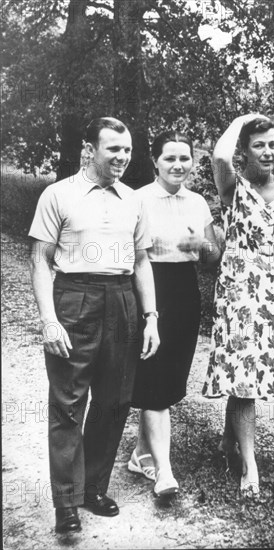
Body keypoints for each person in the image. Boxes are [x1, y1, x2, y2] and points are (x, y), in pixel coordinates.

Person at [28, 117, 160, 534]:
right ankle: (65, 502)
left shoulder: (133, 200)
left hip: (121, 300)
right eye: (113, 150)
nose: (122, 158)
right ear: (90, 149)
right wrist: (49, 320)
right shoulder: (58, 194)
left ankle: (93, 488)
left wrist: (151, 317)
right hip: (74, 297)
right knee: (68, 401)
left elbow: (141, 262)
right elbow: (39, 259)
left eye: (127, 151)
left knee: (115, 399)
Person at [202, 114, 274, 496]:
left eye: (273, 144)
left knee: (254, 375)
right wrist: (243, 119)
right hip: (240, 288)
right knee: (242, 376)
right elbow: (218, 157)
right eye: (258, 144)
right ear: (244, 150)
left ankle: (230, 444)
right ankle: (251, 465)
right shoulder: (234, 188)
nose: (267, 151)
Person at [127, 131, 220, 497]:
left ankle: (140, 452)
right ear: (155, 161)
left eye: (185, 158)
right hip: (148, 288)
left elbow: (213, 258)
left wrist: (204, 244)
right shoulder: (138, 200)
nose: (178, 164)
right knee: (153, 377)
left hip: (185, 290)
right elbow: (129, 258)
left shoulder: (197, 202)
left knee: (167, 378)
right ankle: (164, 472)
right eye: (170, 158)